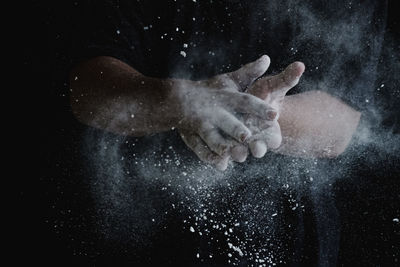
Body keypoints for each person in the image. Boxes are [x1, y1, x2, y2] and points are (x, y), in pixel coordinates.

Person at [42, 0, 397, 265]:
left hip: (293, 250)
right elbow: (87, 88)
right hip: (139, 244)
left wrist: (260, 114)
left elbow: (345, 124)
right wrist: (184, 102)